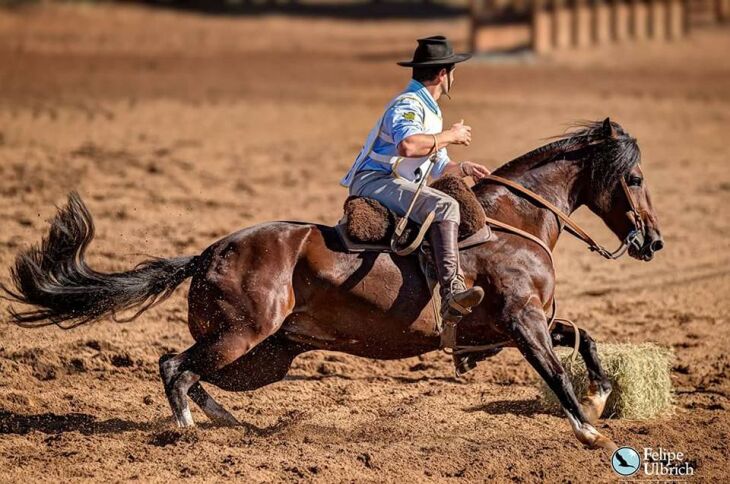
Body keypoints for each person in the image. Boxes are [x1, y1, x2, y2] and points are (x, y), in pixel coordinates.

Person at [341, 35, 491, 329]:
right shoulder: (409, 104)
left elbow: (437, 167)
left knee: (447, 200)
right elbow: (408, 146)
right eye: (453, 72)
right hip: (375, 181)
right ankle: (452, 291)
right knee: (446, 207)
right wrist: (451, 135)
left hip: (393, 181)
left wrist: (463, 167)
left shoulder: (430, 111)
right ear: (443, 74)